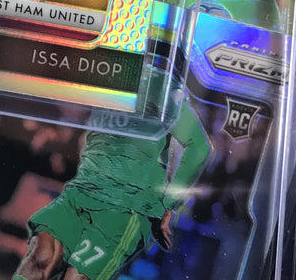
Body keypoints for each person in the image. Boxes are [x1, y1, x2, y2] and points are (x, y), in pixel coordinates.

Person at [12, 96, 210, 280]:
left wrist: (168, 203)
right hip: (80, 194)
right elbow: (78, 119)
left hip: (125, 208)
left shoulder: (160, 88)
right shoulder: (107, 78)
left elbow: (199, 147)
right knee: (41, 257)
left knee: (76, 277)